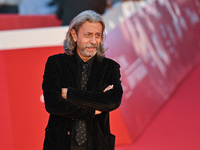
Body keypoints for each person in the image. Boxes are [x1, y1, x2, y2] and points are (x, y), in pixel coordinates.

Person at [42, 10, 123, 150]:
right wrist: (92, 111)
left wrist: (69, 94)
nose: (93, 41)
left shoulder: (110, 67)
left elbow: (112, 101)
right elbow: (52, 103)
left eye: (98, 35)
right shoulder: (55, 63)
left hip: (98, 143)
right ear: (74, 35)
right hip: (60, 143)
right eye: (88, 35)